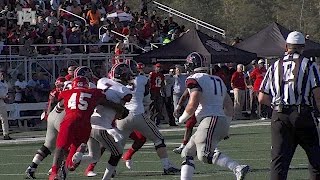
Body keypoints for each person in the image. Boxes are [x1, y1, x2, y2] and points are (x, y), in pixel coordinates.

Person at [177, 52, 250, 180]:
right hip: (218, 120)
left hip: (210, 120)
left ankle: (237, 167)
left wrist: (181, 119)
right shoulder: (217, 79)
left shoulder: (194, 79)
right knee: (187, 152)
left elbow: (193, 103)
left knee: (205, 155)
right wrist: (226, 125)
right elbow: (228, 105)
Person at [259, 31, 320, 180]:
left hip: (280, 116)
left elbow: (261, 97)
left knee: (278, 162)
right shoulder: (309, 65)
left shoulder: (274, 66)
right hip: (303, 115)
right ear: (302, 48)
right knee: (316, 160)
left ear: (286, 47)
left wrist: (277, 106)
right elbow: (318, 94)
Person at [49, 76, 127, 180]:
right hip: (85, 124)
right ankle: (69, 165)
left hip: (70, 122)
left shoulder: (67, 92)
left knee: (61, 147)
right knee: (75, 150)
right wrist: (121, 109)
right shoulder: (93, 93)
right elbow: (107, 103)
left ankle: (54, 172)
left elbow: (59, 107)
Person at [72, 63, 132, 180]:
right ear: (122, 76)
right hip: (102, 127)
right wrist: (121, 110)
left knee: (94, 157)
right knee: (118, 152)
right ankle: (106, 178)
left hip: (91, 122)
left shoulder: (102, 81)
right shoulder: (124, 90)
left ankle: (73, 160)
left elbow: (99, 97)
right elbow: (120, 112)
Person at [0, 69, 11, 140]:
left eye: (3, 75)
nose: (2, 76)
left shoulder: (6, 83)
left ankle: (6, 134)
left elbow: (6, 92)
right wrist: (4, 97)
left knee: (4, 118)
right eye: (1, 75)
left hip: (2, 102)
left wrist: (7, 97)